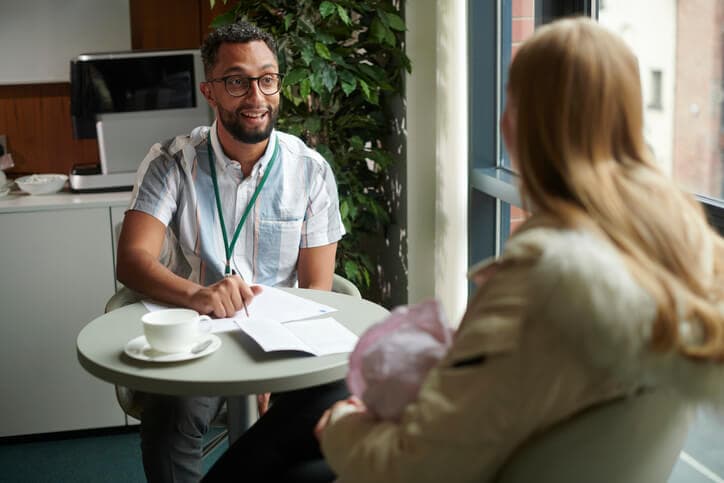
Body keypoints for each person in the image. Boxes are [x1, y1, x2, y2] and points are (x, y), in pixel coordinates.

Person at [204, 17, 724, 482]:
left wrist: (343, 427)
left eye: (510, 101)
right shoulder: (677, 251)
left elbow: (414, 464)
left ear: (520, 128)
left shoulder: (549, 281)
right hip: (508, 448)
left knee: (286, 449)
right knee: (316, 399)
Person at [115, 21, 347, 483]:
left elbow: (319, 291)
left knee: (341, 401)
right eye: (237, 82)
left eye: (268, 79)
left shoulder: (310, 171)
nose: (256, 96)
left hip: (282, 341)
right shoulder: (171, 163)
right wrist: (199, 295)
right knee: (171, 410)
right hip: (198, 338)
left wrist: (273, 371)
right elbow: (133, 260)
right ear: (210, 91)